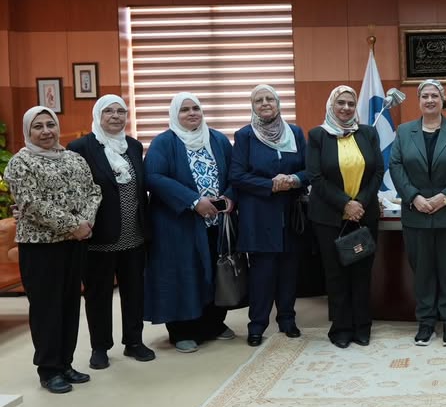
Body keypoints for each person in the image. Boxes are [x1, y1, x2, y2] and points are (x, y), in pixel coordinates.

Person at [4, 106, 102, 394]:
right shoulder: (20, 163)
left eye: (50, 124)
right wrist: (73, 225)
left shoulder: (74, 158)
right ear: (28, 131)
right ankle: (48, 370)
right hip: (40, 247)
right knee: (46, 308)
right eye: (38, 126)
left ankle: (65, 363)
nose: (46, 131)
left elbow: (93, 191)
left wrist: (86, 222)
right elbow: (31, 203)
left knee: (70, 305)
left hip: (74, 244)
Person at [143, 93, 236, 354]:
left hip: (216, 222)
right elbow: (153, 177)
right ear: (175, 114)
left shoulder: (217, 139)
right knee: (183, 274)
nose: (192, 113)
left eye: (196, 108)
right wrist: (193, 201)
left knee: (216, 273)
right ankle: (182, 331)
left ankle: (213, 324)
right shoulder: (164, 143)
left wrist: (230, 197)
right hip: (178, 225)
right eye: (184, 110)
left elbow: (235, 173)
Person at [67, 95, 154, 370]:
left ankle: (134, 342)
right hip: (99, 237)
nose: (116, 116)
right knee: (98, 295)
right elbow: (74, 192)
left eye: (121, 111)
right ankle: (100, 347)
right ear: (98, 115)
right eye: (109, 111)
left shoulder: (133, 145)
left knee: (134, 292)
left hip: (134, 234)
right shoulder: (81, 147)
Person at [390, 79, 446, 346]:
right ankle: (426, 322)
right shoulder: (404, 131)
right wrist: (414, 197)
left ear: (442, 99)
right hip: (416, 214)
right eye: (424, 96)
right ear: (419, 101)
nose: (429, 100)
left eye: (434, 96)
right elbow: (395, 166)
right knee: (423, 272)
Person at [306, 85, 383, 349]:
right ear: (331, 105)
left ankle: (362, 327)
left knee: (362, 273)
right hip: (329, 218)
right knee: (336, 274)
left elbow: (377, 172)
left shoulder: (368, 133)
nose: (346, 108)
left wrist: (359, 203)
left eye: (351, 103)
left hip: (364, 215)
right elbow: (316, 177)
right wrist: (345, 204)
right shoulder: (318, 135)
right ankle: (341, 328)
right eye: (341, 103)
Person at [231, 85, 308, 347]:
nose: (265, 103)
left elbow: (310, 170)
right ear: (252, 106)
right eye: (258, 100)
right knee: (262, 274)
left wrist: (294, 179)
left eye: (269, 99)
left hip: (291, 214)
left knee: (289, 271)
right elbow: (237, 176)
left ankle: (287, 320)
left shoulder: (294, 133)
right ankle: (257, 325)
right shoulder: (245, 135)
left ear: (278, 103)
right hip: (259, 214)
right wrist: (270, 185)